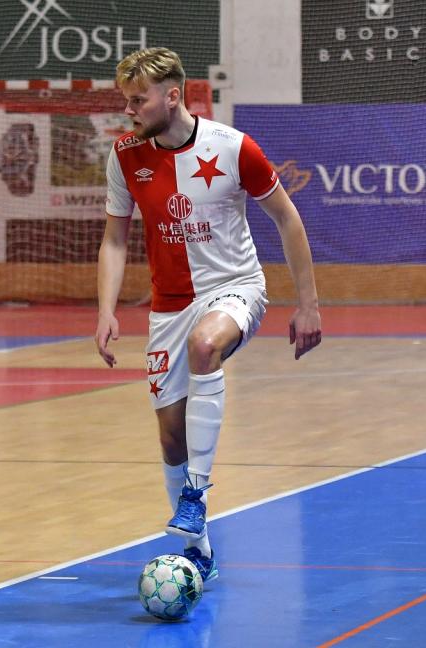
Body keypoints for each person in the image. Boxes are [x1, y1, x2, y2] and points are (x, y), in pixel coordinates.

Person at [95, 48, 323, 583]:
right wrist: (106, 310)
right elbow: (114, 239)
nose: (129, 110)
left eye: (138, 100)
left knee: (205, 346)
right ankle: (198, 550)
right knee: (170, 436)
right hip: (168, 307)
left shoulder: (233, 147)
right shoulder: (125, 155)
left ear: (172, 96)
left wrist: (308, 304)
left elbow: (288, 218)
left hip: (234, 288)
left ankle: (196, 495)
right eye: (126, 100)